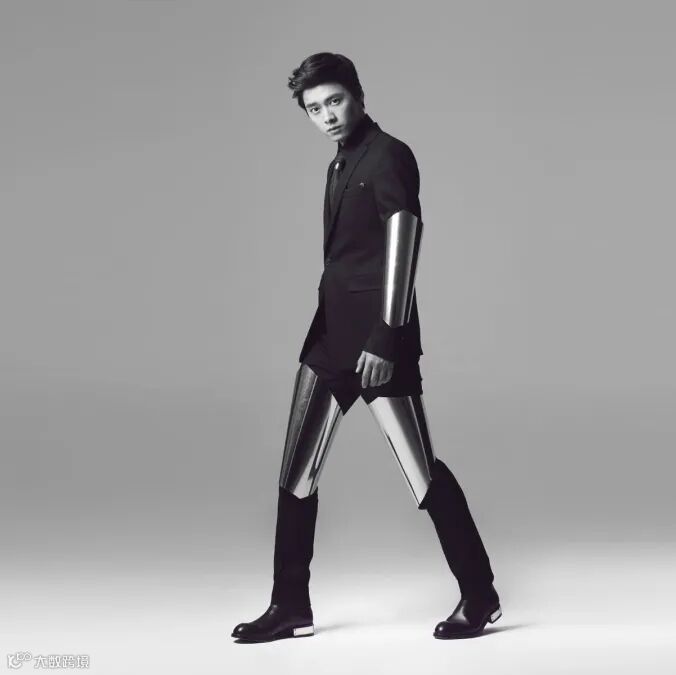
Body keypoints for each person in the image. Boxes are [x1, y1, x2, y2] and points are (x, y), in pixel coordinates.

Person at [232, 52, 501, 642]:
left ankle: (480, 596)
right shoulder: (338, 162)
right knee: (295, 475)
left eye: (334, 101)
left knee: (422, 474)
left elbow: (405, 241)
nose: (327, 115)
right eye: (314, 109)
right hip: (329, 337)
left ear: (357, 95)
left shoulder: (389, 155)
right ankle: (289, 606)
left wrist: (386, 337)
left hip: (379, 342)